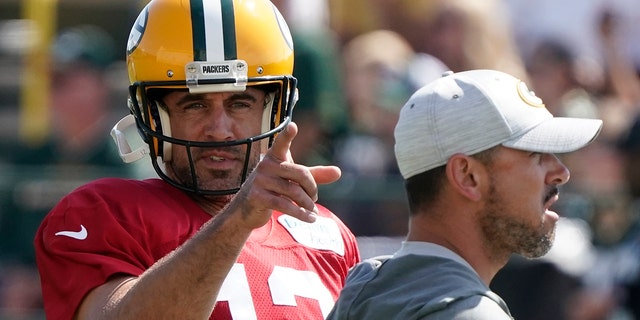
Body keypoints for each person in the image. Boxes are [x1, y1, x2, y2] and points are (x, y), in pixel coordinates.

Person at [33, 0, 360, 319]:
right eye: (195, 105)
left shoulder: (328, 235)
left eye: (240, 103)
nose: (219, 130)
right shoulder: (104, 213)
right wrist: (237, 221)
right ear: (154, 115)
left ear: (273, 110)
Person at [327, 69, 603, 319]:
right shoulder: (474, 315)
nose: (561, 172)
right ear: (467, 176)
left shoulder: (358, 294)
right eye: (536, 153)